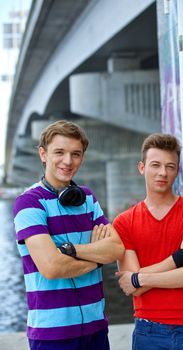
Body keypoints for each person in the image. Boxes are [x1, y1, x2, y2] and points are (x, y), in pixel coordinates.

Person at [13, 120, 124, 350]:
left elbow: (116, 249)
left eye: (76, 154)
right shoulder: (29, 203)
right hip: (53, 335)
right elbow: (52, 267)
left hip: (96, 328)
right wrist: (97, 258)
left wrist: (71, 251)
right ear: (43, 154)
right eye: (59, 152)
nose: (68, 161)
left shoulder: (87, 198)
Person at [113, 133, 183, 350]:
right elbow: (133, 288)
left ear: (177, 171)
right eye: (156, 165)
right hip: (148, 332)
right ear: (142, 168)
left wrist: (139, 278)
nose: (163, 172)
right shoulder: (124, 222)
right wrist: (178, 258)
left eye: (170, 166)